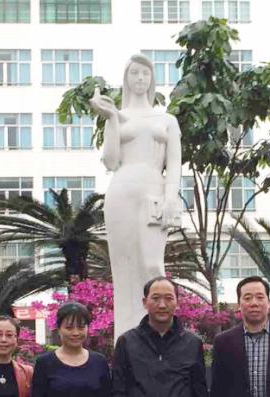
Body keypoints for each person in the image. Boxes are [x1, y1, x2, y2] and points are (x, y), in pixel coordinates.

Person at [89, 54, 182, 341]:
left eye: (145, 73)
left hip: (153, 190)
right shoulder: (117, 116)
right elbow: (111, 160)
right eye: (134, 73)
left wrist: (171, 198)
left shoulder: (167, 120)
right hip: (121, 192)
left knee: (152, 263)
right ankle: (126, 338)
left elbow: (174, 164)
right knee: (123, 266)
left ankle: (157, 334)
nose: (140, 78)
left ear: (152, 79)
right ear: (126, 79)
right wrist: (111, 119)